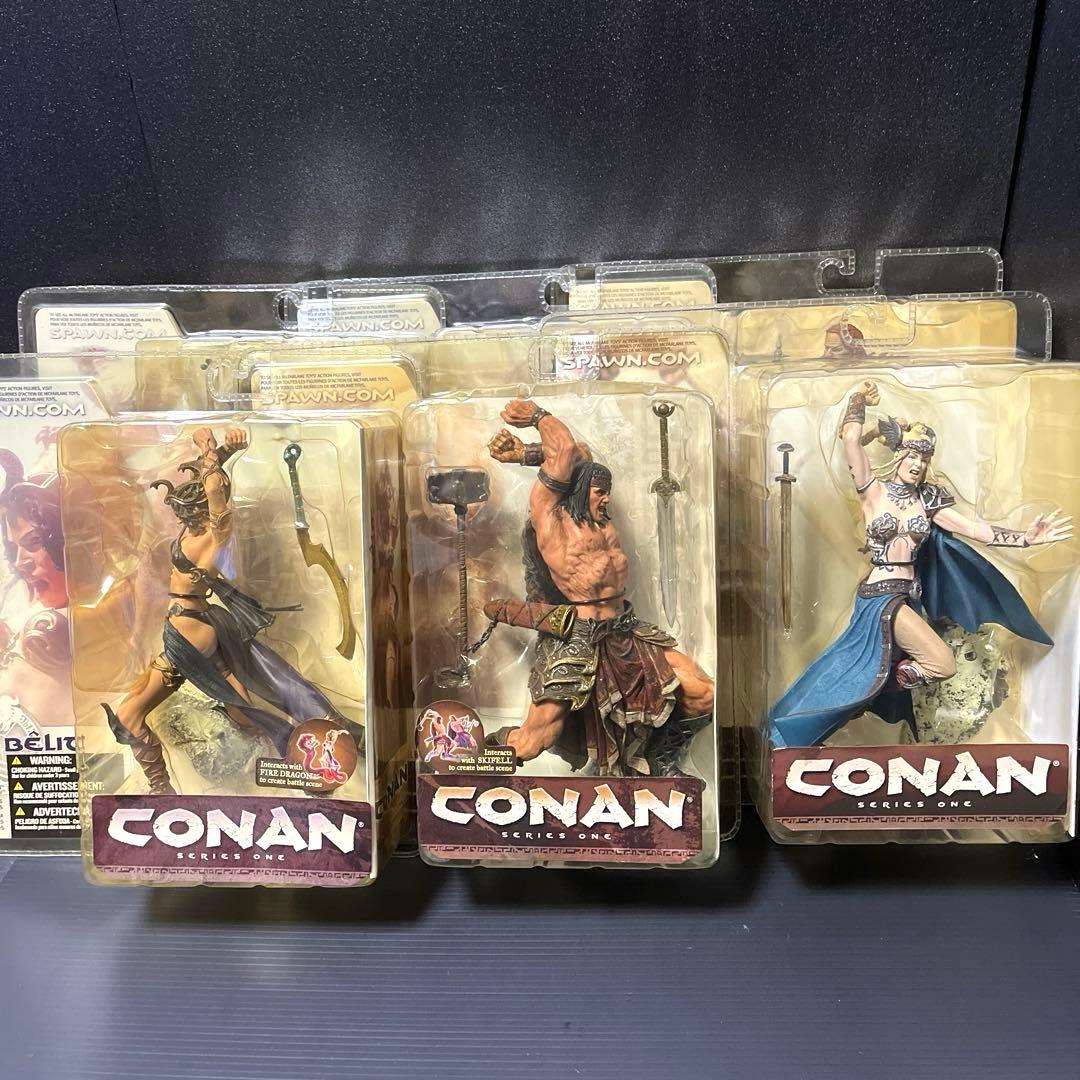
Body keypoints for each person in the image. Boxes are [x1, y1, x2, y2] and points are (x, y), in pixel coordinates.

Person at [768, 380, 1071, 748]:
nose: (918, 464)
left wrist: (1026, 538)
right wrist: (858, 399)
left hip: (907, 597)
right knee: (940, 664)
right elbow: (850, 440)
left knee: (859, 676)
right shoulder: (873, 491)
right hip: (880, 598)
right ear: (899, 455)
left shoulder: (928, 502)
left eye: (924, 459)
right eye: (913, 456)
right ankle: (829, 713)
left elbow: (975, 530)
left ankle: (850, 705)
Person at [102, 427, 361, 794]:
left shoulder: (216, 535)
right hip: (195, 627)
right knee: (242, 710)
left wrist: (208, 447)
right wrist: (223, 451)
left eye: (196, 501)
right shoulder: (193, 532)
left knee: (129, 715)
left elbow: (214, 491)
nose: (185, 509)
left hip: (190, 635)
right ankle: (310, 760)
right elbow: (207, 483)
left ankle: (161, 789)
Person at [486, 398, 714, 776]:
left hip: (624, 631)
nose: (606, 496)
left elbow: (580, 453)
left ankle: (657, 761)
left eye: (607, 489)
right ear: (577, 491)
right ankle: (474, 759)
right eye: (598, 491)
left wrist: (525, 453)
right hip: (578, 637)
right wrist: (538, 416)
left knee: (701, 692)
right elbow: (565, 452)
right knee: (532, 742)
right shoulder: (551, 517)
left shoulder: (602, 522)